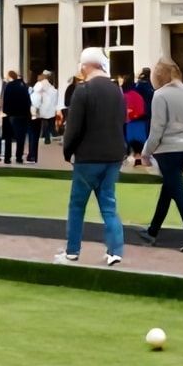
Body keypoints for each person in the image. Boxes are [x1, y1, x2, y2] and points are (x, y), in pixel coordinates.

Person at [59, 47, 127, 265]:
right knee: (109, 205)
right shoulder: (117, 90)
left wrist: (67, 151)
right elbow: (122, 121)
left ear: (86, 66)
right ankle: (115, 251)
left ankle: (72, 250)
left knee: (77, 205)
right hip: (113, 155)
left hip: (88, 157)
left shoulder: (83, 90)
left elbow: (74, 128)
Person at [138, 57, 183, 252]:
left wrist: (146, 152)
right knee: (169, 189)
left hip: (168, 149)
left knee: (177, 191)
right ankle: (153, 230)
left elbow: (157, 128)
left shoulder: (160, 95)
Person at [1, 70, 32, 164]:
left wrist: (5, 111)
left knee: (8, 137)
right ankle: (19, 157)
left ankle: (7, 158)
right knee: (21, 137)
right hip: (23, 115)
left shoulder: (9, 86)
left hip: (11, 114)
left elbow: (5, 100)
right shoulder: (24, 86)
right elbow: (28, 101)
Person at [30, 70, 59, 162]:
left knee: (44, 122)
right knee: (49, 121)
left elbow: (35, 94)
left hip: (44, 106)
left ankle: (46, 137)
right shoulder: (51, 86)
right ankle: (49, 135)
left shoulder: (40, 84)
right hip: (50, 107)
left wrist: (35, 105)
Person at [122, 78, 148, 164]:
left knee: (131, 142)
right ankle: (139, 158)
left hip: (130, 123)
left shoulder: (125, 96)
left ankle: (134, 158)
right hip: (141, 122)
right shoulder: (138, 95)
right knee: (140, 143)